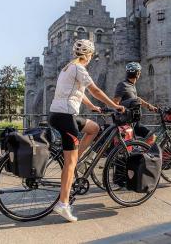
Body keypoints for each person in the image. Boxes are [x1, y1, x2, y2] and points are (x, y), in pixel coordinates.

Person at [48, 39, 124, 222]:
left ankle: (78, 158)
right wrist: (115, 105)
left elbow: (78, 93)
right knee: (69, 163)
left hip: (62, 114)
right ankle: (63, 204)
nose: (91, 58)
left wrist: (93, 107)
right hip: (66, 117)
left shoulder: (68, 67)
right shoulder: (79, 68)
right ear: (88, 55)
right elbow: (95, 90)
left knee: (94, 128)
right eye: (91, 55)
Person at [113, 62, 157, 143]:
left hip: (133, 122)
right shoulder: (122, 85)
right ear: (138, 74)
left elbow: (136, 99)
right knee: (151, 137)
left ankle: (141, 153)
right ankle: (143, 154)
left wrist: (149, 106)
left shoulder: (131, 85)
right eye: (139, 72)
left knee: (150, 137)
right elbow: (115, 102)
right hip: (125, 122)